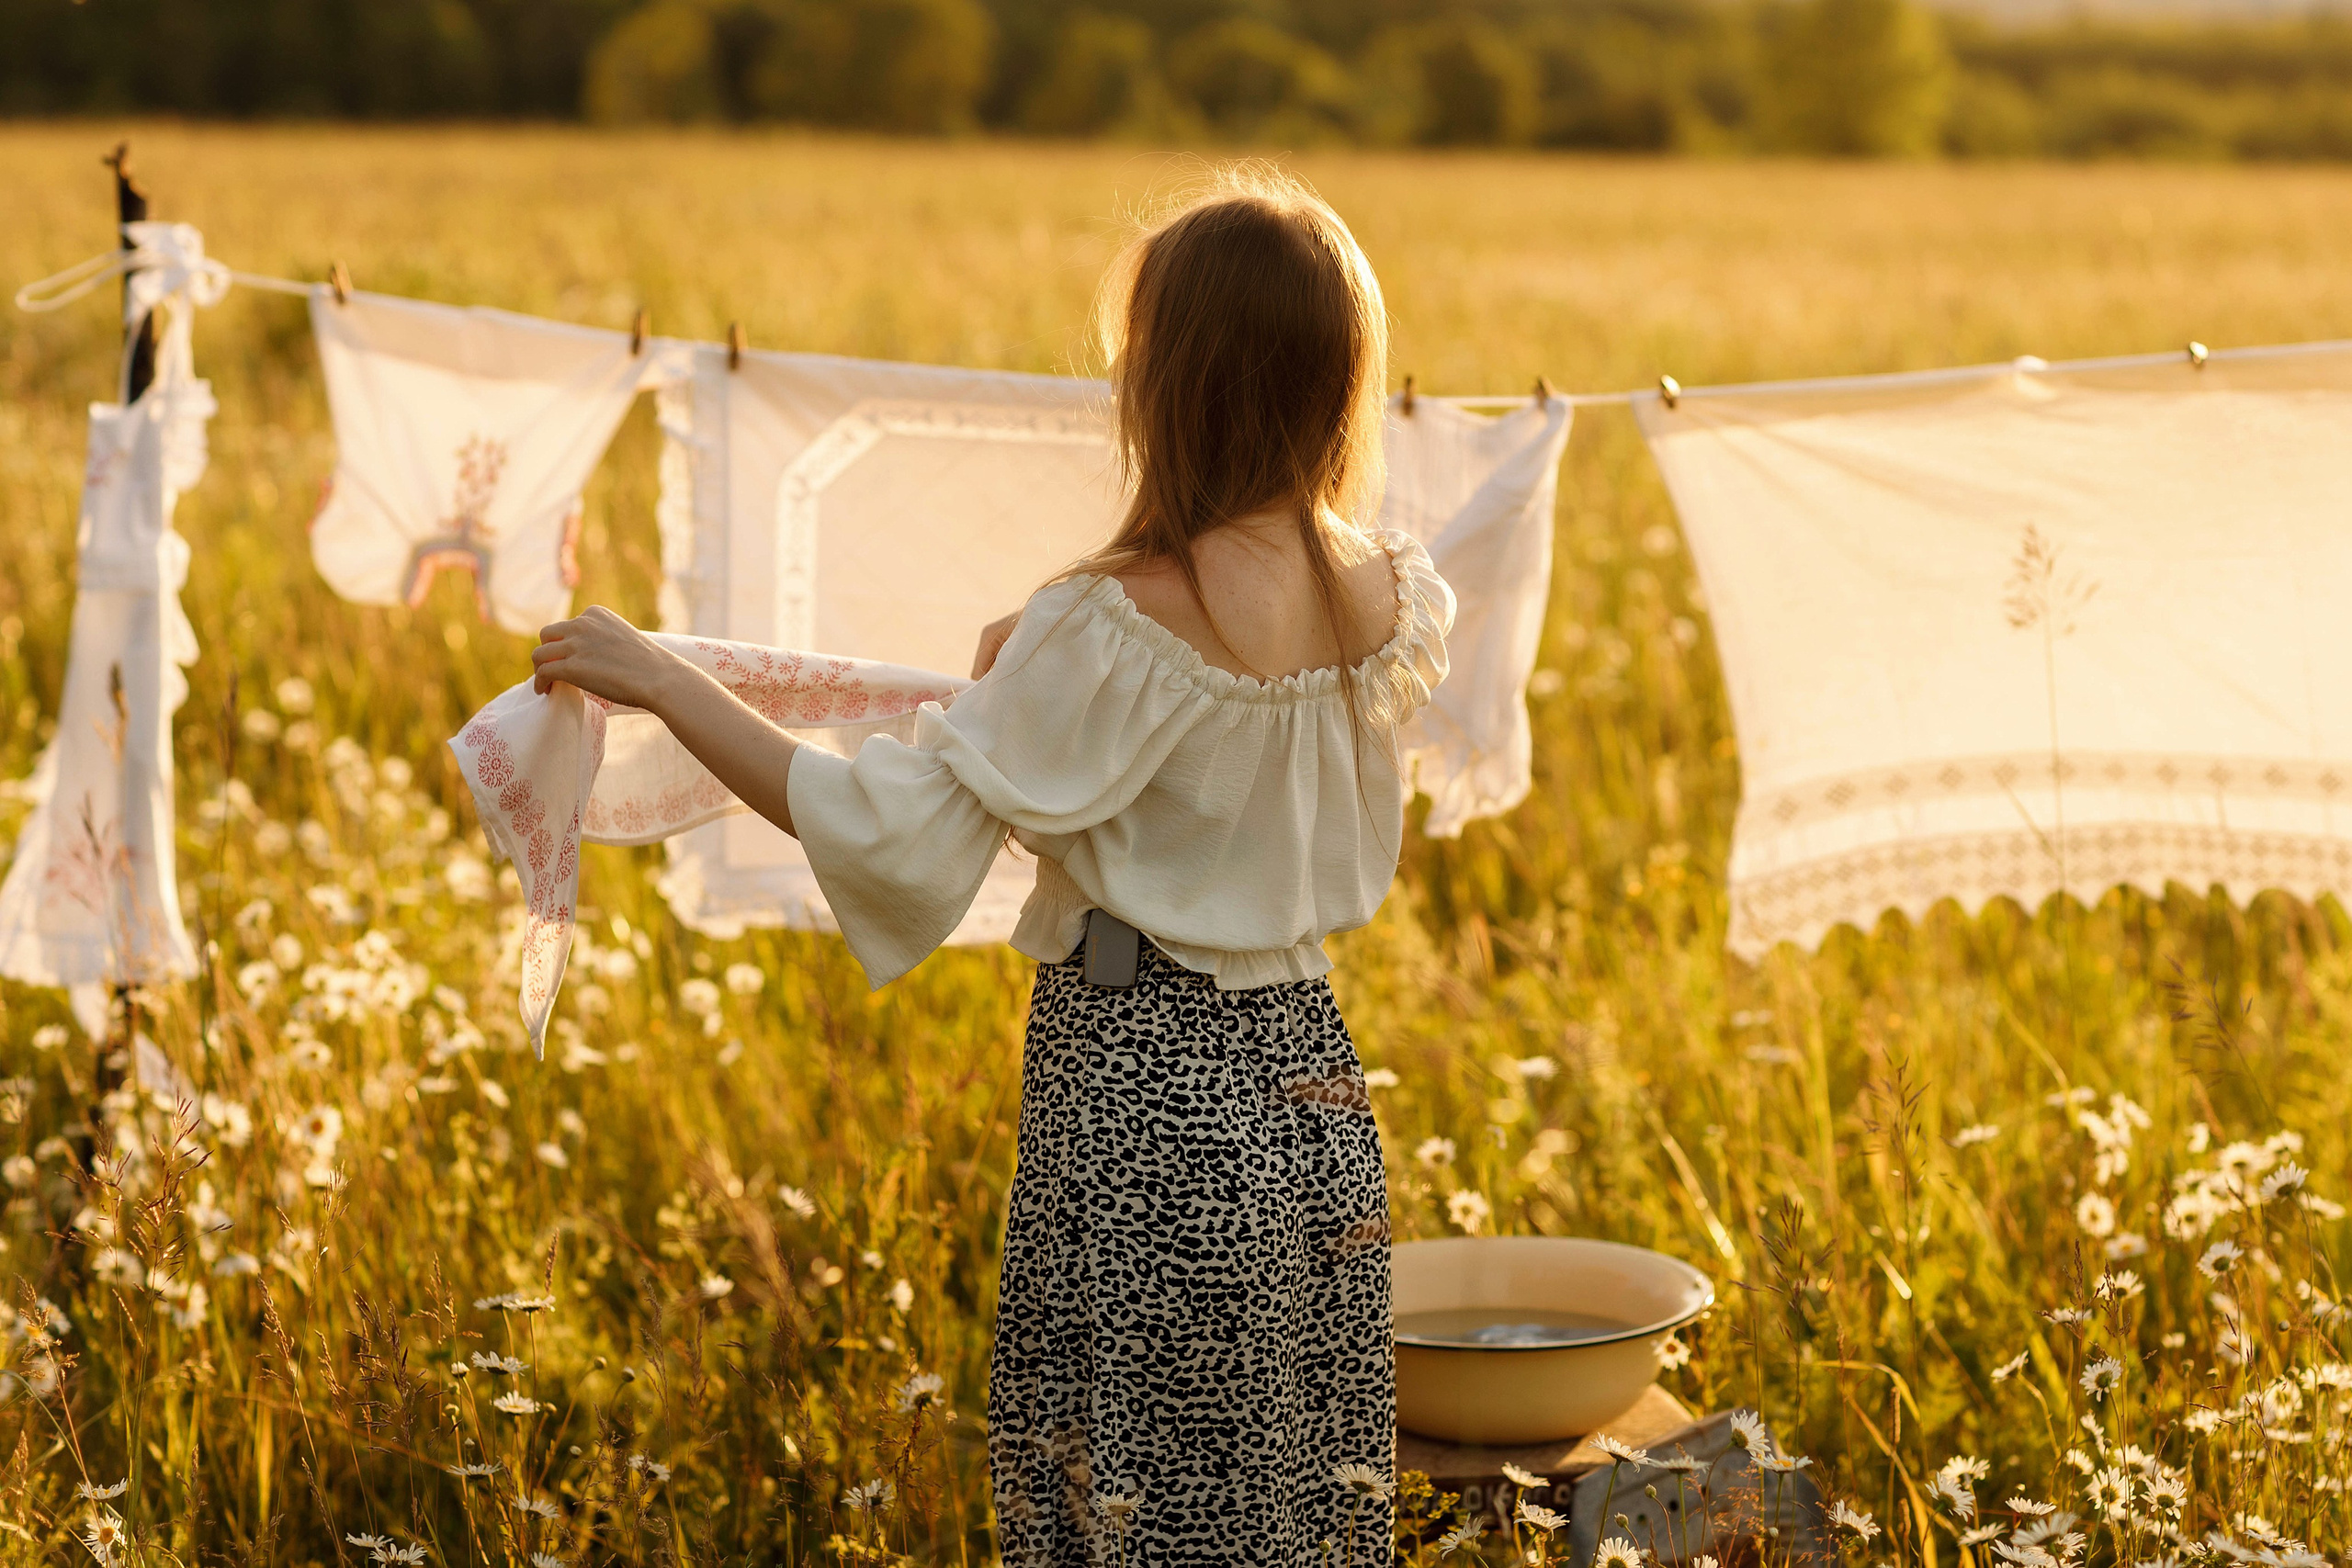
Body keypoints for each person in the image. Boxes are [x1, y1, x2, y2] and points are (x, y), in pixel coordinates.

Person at [527, 167, 1453, 1567]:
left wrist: (659, 676)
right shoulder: (1383, 593)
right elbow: (1203, 749)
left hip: (1149, 1088)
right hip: (1315, 1087)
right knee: (1289, 1511)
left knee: (1131, 1505)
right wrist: (1042, 659)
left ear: (1180, 382)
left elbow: (884, 833)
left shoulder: (1111, 621)